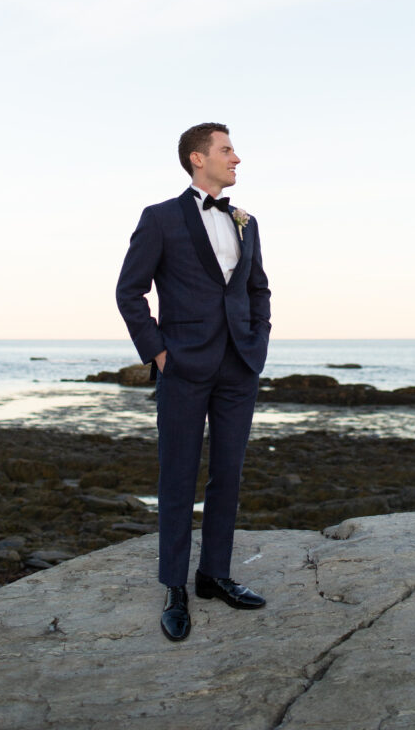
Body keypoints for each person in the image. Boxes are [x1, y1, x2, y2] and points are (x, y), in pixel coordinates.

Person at [116, 122, 271, 641]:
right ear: (196, 158)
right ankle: (174, 588)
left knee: (228, 474)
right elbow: (129, 292)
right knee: (177, 478)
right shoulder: (159, 218)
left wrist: (257, 344)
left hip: (238, 367)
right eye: (227, 150)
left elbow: (258, 290)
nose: (237, 158)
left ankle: (214, 575)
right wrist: (158, 354)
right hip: (182, 367)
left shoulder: (247, 221)